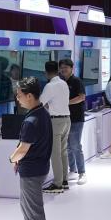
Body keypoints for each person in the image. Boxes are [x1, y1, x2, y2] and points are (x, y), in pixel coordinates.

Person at [7, 77, 53, 220]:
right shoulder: (42, 112)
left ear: (29, 96)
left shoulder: (32, 120)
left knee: (34, 210)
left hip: (33, 171)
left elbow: (23, 149)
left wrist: (12, 159)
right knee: (26, 207)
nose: (17, 99)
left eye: (19, 95)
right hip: (36, 168)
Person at [40, 60, 71, 193]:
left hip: (56, 122)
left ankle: (57, 184)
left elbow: (40, 103)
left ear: (46, 72)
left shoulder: (50, 86)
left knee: (55, 154)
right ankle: (64, 180)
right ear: (58, 70)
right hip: (67, 120)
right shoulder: (64, 83)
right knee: (63, 152)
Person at [60, 58, 88, 185]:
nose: (63, 69)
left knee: (76, 146)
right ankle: (73, 170)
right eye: (62, 67)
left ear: (71, 68)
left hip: (76, 119)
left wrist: (66, 103)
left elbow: (82, 97)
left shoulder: (76, 81)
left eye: (66, 67)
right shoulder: (61, 82)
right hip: (65, 118)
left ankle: (82, 173)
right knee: (68, 147)